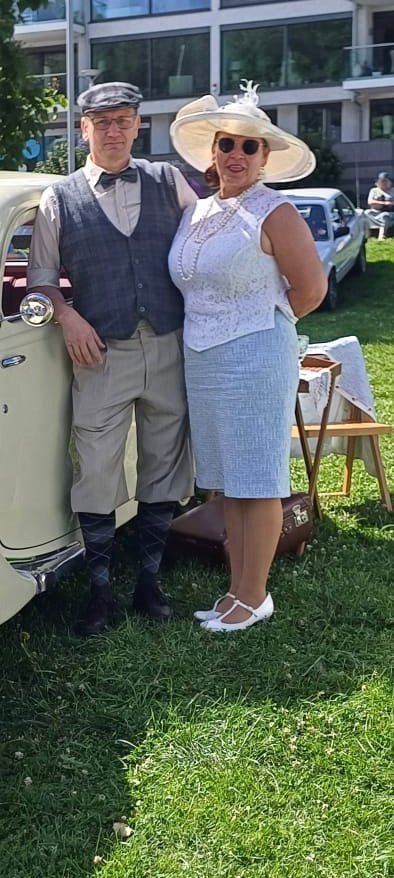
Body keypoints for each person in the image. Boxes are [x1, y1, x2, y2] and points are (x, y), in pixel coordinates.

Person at [27, 81, 197, 636]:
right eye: (102, 122)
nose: (114, 130)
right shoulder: (59, 198)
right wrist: (68, 317)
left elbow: (204, 243)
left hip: (168, 342)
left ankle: (148, 580)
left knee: (164, 462)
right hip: (101, 352)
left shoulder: (168, 181)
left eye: (123, 120)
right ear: (83, 129)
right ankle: (100, 590)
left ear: (138, 125)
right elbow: (41, 282)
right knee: (95, 469)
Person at [168, 80, 326, 632]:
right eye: (227, 144)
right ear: (213, 151)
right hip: (204, 359)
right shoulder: (198, 210)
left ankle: (255, 596)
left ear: (265, 156)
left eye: (249, 147)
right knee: (228, 480)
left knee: (257, 480)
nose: (236, 155)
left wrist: (260, 324)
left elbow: (310, 290)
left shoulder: (275, 210)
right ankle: (236, 589)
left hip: (257, 356)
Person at [366, 172, 394, 239]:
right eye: (382, 181)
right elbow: (370, 202)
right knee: (365, 213)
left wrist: (390, 203)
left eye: (386, 181)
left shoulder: (393, 191)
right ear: (378, 182)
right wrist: (383, 203)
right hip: (375, 211)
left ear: (390, 182)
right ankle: (367, 234)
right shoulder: (373, 190)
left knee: (384, 216)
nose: (384, 183)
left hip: (389, 212)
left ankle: (381, 236)